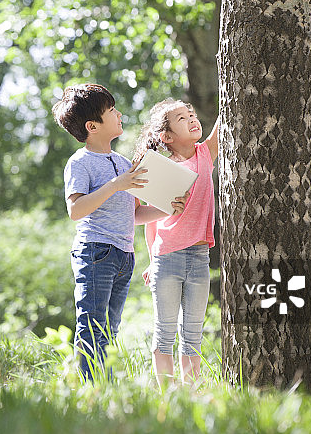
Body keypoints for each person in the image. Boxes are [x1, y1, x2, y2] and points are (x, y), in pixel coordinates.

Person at [52, 84, 185, 381]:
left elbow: (134, 214)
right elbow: (76, 210)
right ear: (93, 126)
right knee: (92, 326)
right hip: (95, 252)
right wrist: (116, 185)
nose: (119, 114)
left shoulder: (124, 164)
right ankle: (91, 389)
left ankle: (104, 387)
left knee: (110, 329)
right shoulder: (80, 162)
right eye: (112, 111)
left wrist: (168, 209)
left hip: (124, 256)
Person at [133, 98, 219, 389]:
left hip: (199, 257)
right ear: (167, 137)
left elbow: (222, 124)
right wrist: (151, 260)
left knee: (193, 333)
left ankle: (190, 392)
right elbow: (150, 222)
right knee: (165, 332)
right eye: (182, 118)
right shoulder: (162, 169)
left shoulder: (205, 154)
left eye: (192, 114)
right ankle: (167, 394)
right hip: (167, 258)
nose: (192, 119)